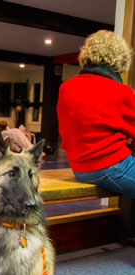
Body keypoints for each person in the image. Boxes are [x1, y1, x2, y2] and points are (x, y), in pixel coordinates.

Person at [57, 30, 135, 198]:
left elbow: (68, 131)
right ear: (120, 58)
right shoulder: (121, 92)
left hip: (78, 167)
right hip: (109, 166)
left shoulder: (66, 87)